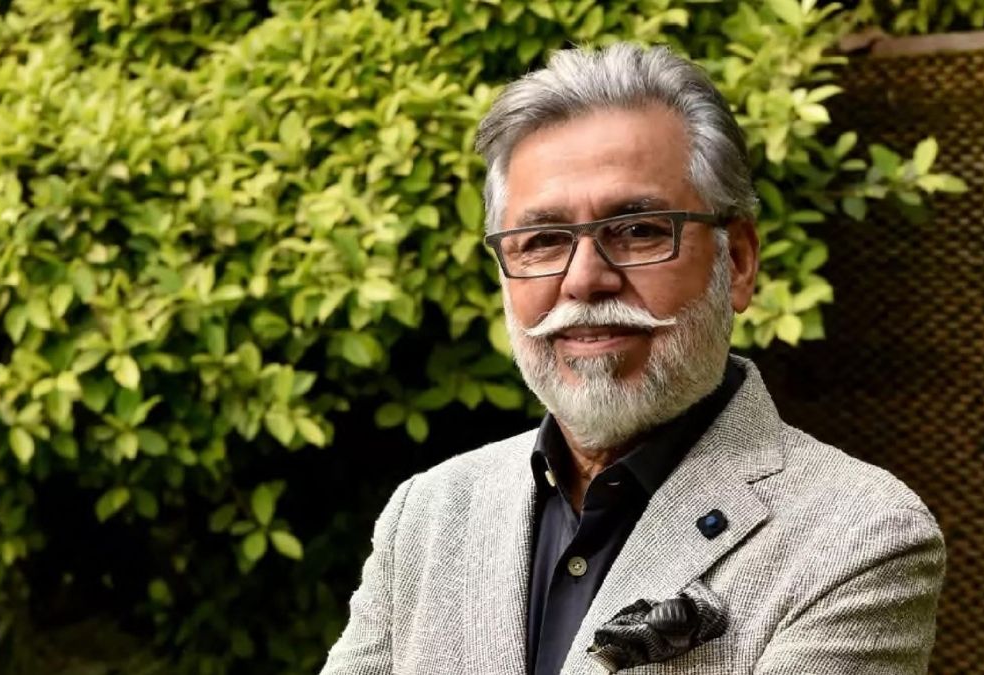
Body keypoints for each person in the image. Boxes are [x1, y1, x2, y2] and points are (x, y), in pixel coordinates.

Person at [321, 42, 944, 675]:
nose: (584, 280)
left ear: (737, 262)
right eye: (542, 240)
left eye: (639, 230)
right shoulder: (428, 513)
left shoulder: (860, 536)